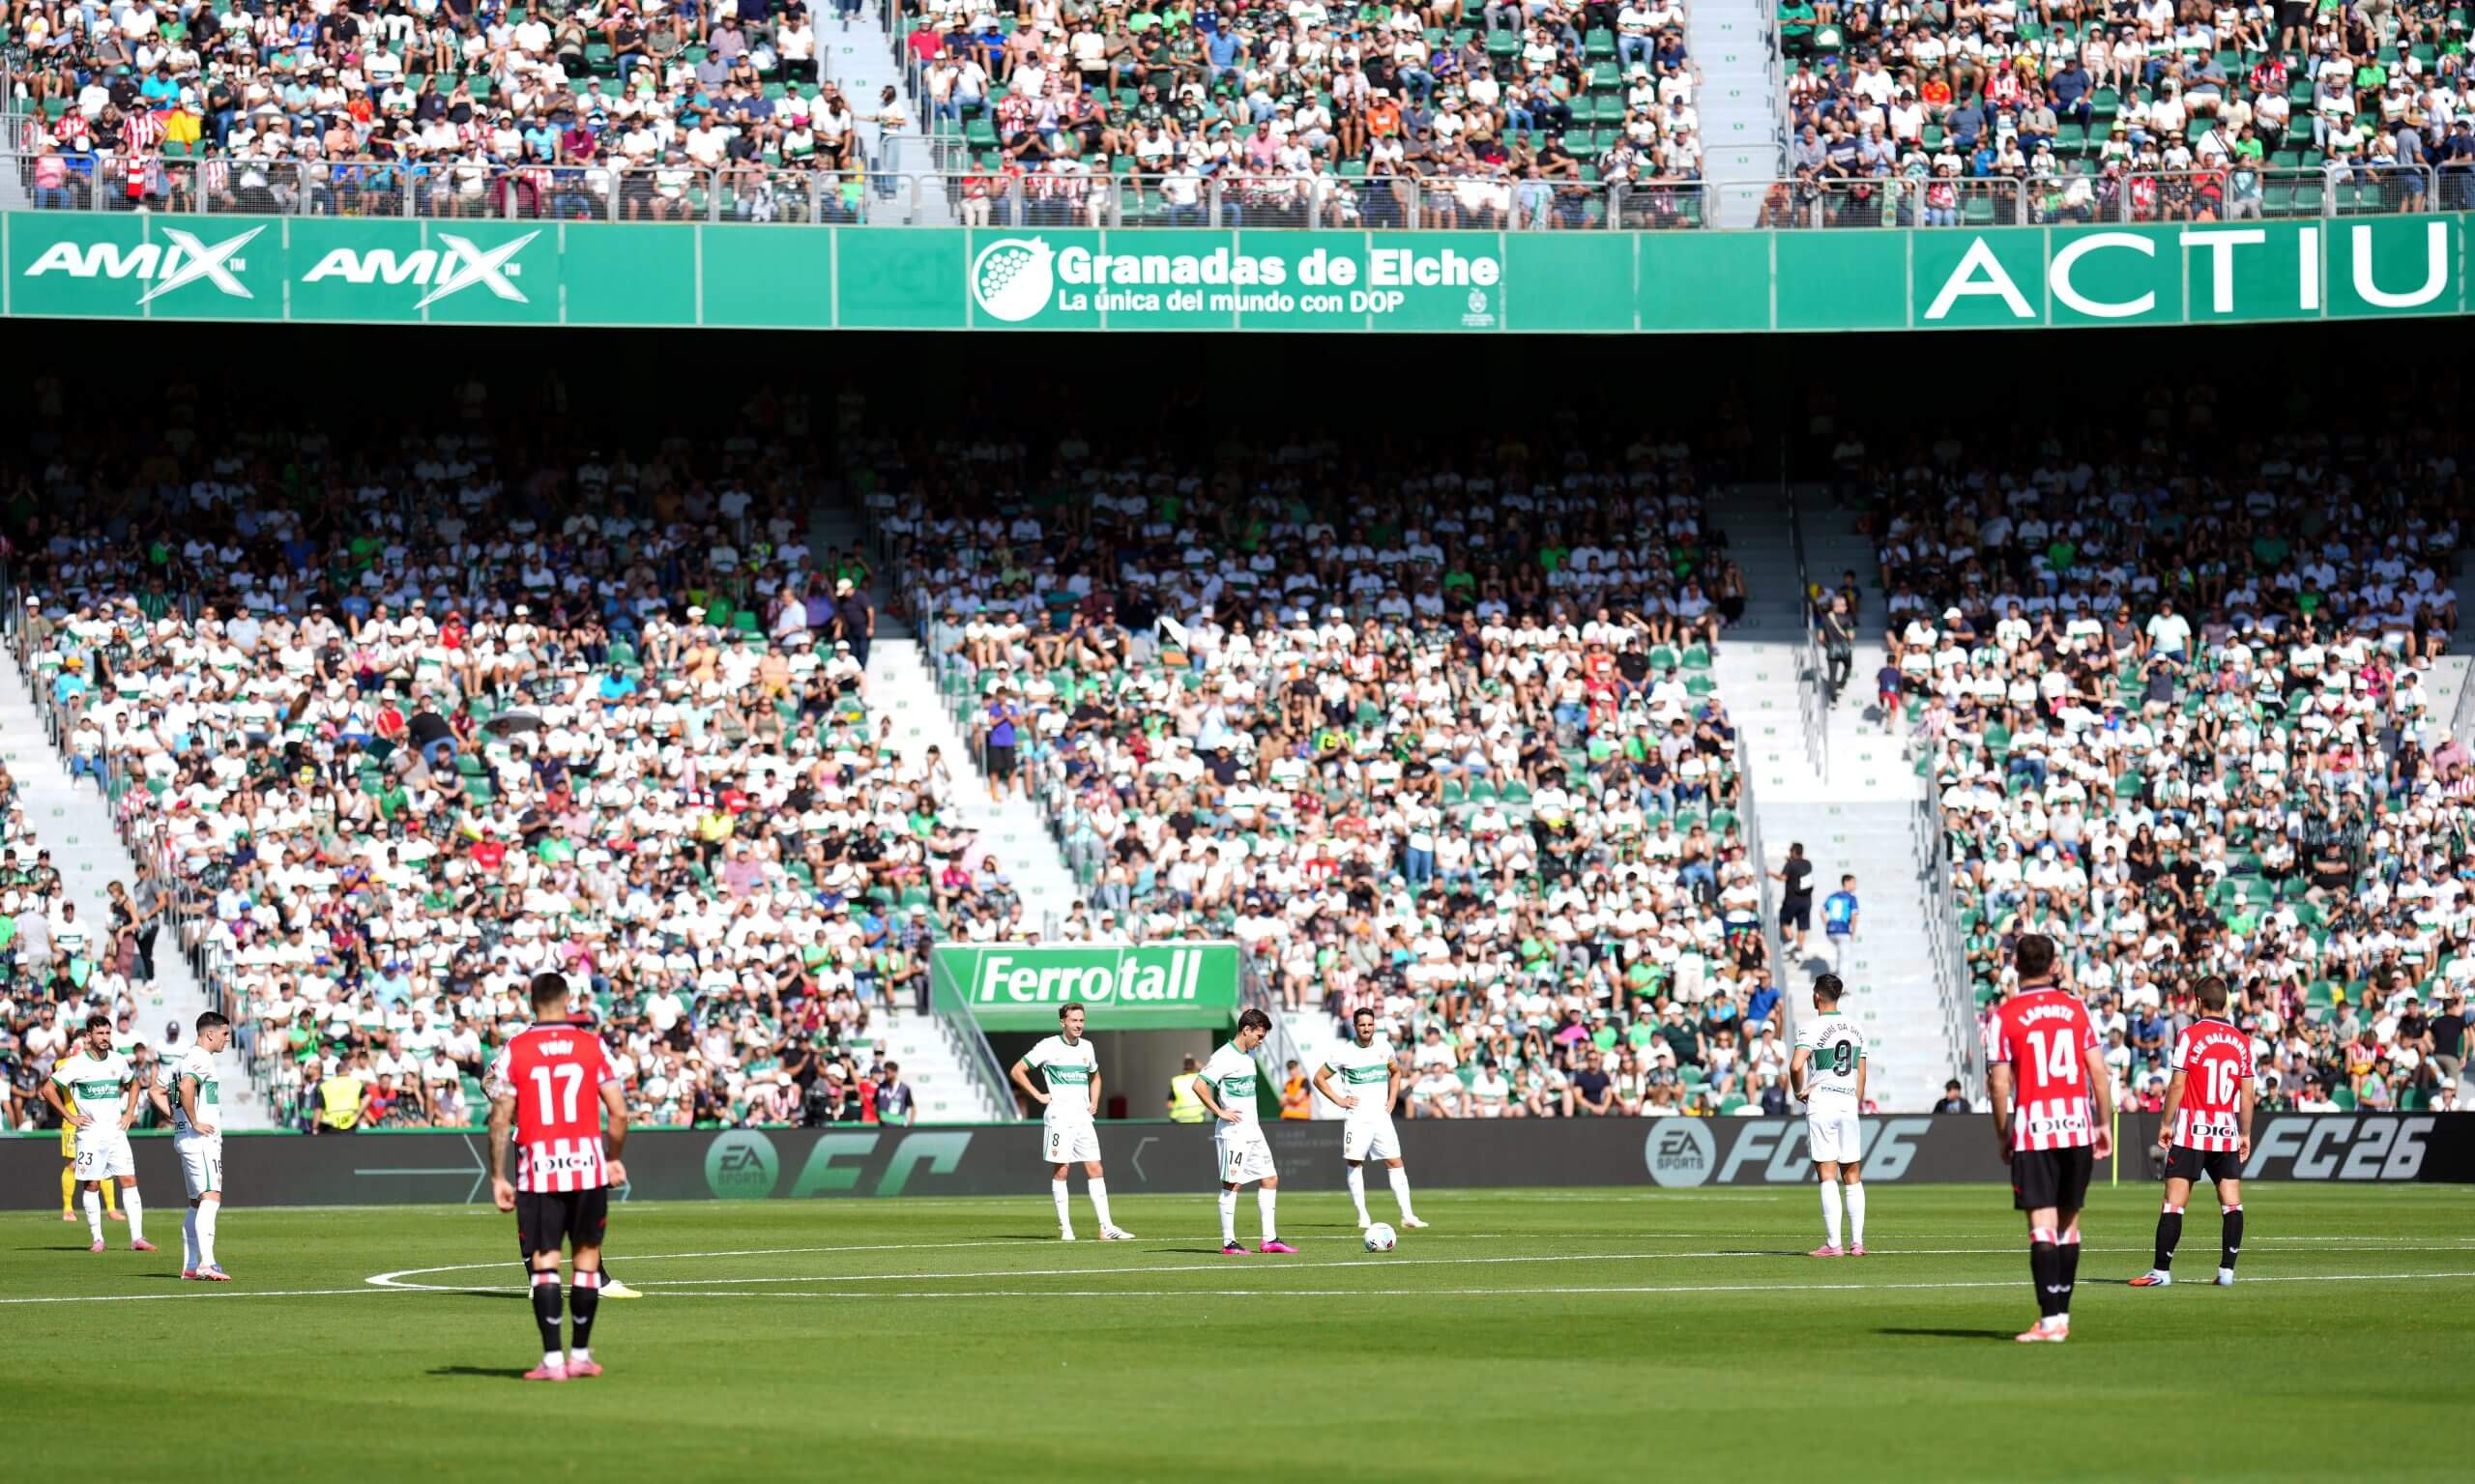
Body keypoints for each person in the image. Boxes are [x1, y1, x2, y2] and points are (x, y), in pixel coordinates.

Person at [486, 972, 631, 1382]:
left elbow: (499, 1118)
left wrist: (498, 1176)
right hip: (586, 1166)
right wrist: (614, 1157)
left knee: (545, 1263)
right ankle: (581, 1354)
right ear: (568, 1001)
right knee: (586, 1262)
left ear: (532, 1002)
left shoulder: (518, 1048)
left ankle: (552, 1361)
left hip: (538, 1169)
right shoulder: (591, 1044)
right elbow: (619, 1112)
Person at [1986, 934, 2113, 1343]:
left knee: (2041, 1226)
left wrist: (2004, 1131)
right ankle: (2061, 1317)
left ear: (2016, 966)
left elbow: (1999, 1084)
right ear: (2054, 966)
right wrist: (2104, 1123)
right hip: (2076, 1125)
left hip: (2034, 1130)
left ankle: (2050, 1319)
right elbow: (2098, 1073)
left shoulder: (2004, 1015)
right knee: (2069, 1225)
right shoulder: (2076, 1010)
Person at [2131, 976, 2254, 1289]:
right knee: (2231, 1202)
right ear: (2225, 1002)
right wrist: (2245, 1133)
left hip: (2191, 1131)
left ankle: (2161, 1271)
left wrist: (2165, 1123)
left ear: (2199, 1002)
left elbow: (2177, 1084)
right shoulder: (2242, 1041)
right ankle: (2227, 1271)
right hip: (2226, 1130)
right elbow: (2247, 1094)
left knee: (2173, 1203)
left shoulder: (2189, 1035)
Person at [1009, 1002, 1134, 1240]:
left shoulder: (1087, 1047)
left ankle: (1106, 1227)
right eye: (1074, 1020)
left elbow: (1095, 1077)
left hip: (1082, 1118)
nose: (1079, 1025)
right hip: (1059, 1117)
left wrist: (1094, 1101)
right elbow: (1017, 1071)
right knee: (1062, 1171)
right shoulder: (1048, 1046)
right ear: (1063, 1022)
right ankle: (1066, 1228)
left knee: (1096, 1168)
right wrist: (1037, 1095)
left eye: (1082, 1020)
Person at [44, 1013, 152, 1254]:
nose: (104, 1038)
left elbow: (133, 1083)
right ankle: (98, 1239)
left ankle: (137, 1238)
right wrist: (70, 1116)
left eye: (107, 1033)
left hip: (115, 1132)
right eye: (100, 1033)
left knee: (129, 1180)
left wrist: (129, 1112)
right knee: (92, 1184)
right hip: (89, 1135)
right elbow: (48, 1089)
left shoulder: (117, 1060)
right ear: (88, 1036)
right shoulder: (76, 1064)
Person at [1312, 1006, 1428, 1232]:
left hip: (1381, 1116)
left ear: (1374, 1025)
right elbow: (1319, 1078)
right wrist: (1339, 1100)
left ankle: (1408, 1215)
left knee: (1395, 1161)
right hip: (1357, 1117)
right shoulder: (1344, 1052)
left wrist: (1393, 1098)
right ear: (1355, 1027)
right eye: (1362, 1024)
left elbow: (1395, 1072)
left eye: (1370, 1024)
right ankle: (1363, 1215)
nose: (1366, 1028)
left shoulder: (1384, 1047)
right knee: (1355, 1162)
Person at [1192, 1007, 1294, 1255]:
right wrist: (1219, 1111)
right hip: (1233, 1132)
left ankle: (1269, 1240)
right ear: (1246, 1030)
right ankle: (1229, 1242)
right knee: (1232, 1184)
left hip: (1253, 1130)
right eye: (1258, 1036)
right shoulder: (1224, 1056)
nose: (1260, 1042)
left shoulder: (1249, 1056)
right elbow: (1199, 1085)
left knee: (1270, 1178)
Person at [1790, 974, 1868, 1257]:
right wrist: (1853, 1102)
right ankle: (1857, 1243)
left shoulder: (1811, 1028)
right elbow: (1862, 1073)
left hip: (1822, 1103)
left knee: (1826, 1174)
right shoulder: (1856, 1028)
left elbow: (1796, 1066)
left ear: (1816, 996)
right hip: (1848, 1103)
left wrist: (1799, 1092)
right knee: (1853, 1174)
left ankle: (1834, 1244)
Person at [159, 1011, 232, 1280]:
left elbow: (155, 1091)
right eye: (224, 1033)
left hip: (185, 1138)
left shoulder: (182, 1059)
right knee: (211, 1197)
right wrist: (194, 1120)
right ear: (209, 1033)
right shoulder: (200, 1058)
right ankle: (207, 1263)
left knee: (196, 1203)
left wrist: (174, 1115)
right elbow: (188, 1086)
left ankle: (190, 1265)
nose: (227, 1039)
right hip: (201, 1140)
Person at [1772, 842, 1816, 954]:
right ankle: (1799, 950)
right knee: (1802, 926)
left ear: (1793, 852)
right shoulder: (1808, 863)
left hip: (1792, 900)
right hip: (1806, 900)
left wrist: (1770, 873)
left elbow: (1782, 878)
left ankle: (1791, 941)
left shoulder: (1791, 864)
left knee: (1784, 921)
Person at [1822, 875, 1859, 964]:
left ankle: (1837, 974)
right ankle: (1841, 977)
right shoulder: (1851, 897)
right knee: (1844, 959)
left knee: (1840, 955)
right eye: (1853, 883)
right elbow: (1854, 915)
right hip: (1843, 930)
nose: (1855, 886)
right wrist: (1853, 932)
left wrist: (1828, 924)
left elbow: (1822, 911)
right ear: (1846, 882)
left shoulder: (1833, 896)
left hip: (1831, 931)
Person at [1167, 1054, 1208, 1122]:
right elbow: (1208, 1072)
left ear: (1184, 1067)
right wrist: (1194, 1061)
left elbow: (1169, 1105)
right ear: (1195, 1066)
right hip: (1198, 1119)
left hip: (1179, 1120)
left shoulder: (1176, 1080)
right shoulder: (1200, 1078)